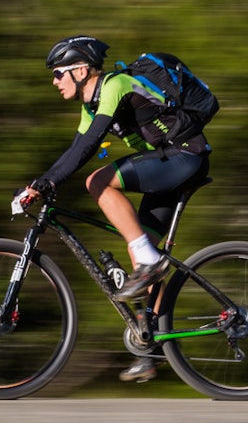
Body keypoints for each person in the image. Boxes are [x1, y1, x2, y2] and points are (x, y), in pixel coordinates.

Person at [23, 35, 211, 383]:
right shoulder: (90, 106)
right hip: (172, 163)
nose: (54, 81)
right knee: (142, 250)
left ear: (81, 70)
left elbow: (90, 146)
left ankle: (150, 265)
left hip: (183, 157)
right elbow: (75, 149)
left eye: (59, 73)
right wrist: (40, 183)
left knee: (97, 182)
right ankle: (152, 347)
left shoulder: (115, 85)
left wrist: (45, 184)